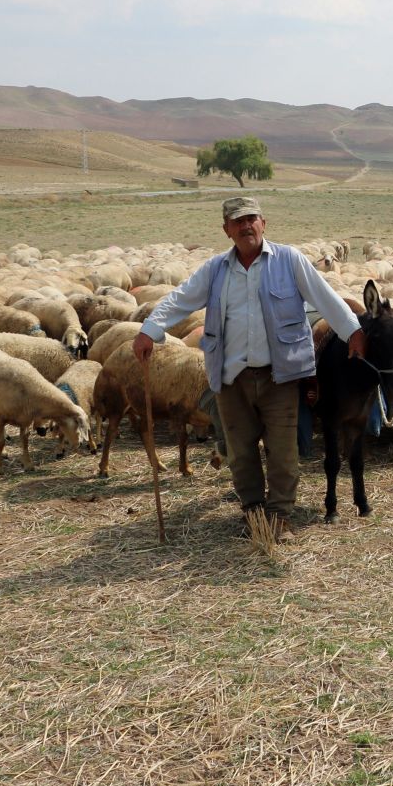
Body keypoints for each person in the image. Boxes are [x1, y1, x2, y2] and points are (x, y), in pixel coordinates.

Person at [133, 196, 366, 534]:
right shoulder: (215, 270)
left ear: (263, 223)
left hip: (279, 375)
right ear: (227, 230)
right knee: (240, 451)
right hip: (231, 376)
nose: (246, 226)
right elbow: (180, 300)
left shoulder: (289, 261)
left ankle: (279, 514)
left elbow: (324, 297)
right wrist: (149, 331)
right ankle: (254, 510)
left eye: (251, 218)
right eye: (237, 221)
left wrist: (353, 332)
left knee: (283, 451)